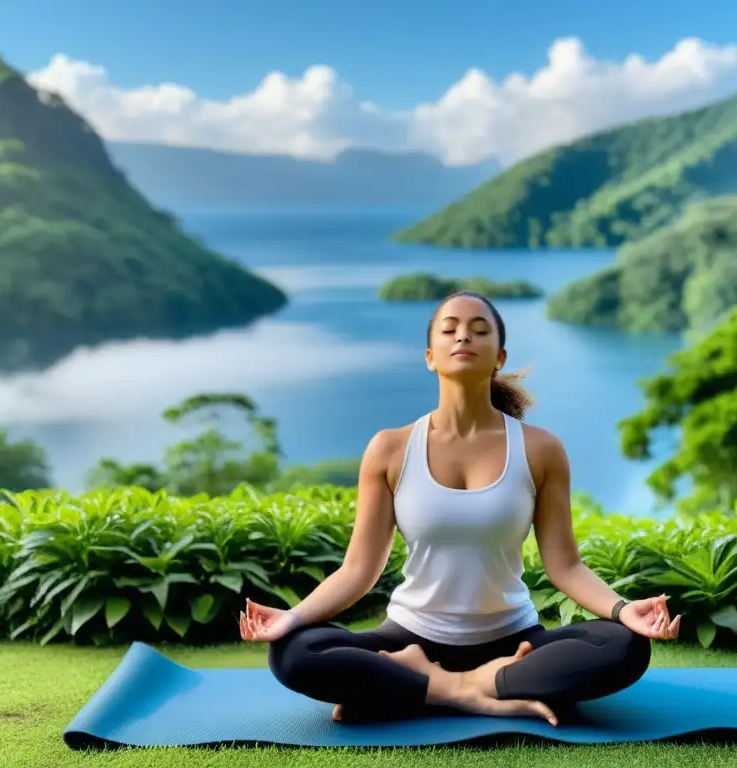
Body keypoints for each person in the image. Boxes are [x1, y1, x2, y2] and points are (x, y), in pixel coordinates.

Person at [239, 291, 681, 727]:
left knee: (624, 646)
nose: (463, 337)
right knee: (294, 652)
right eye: (449, 330)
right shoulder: (390, 449)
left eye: (478, 330)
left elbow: (565, 565)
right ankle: (474, 690)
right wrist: (292, 617)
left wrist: (624, 610)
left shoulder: (540, 449)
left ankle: (416, 687)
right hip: (411, 638)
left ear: (499, 358)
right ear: (431, 357)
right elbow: (358, 570)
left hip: (514, 643)